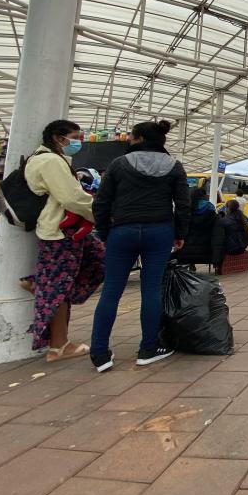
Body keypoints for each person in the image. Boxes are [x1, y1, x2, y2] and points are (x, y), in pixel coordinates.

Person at [90, 120, 190, 372]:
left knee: (111, 291)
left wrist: (104, 233)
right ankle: (148, 348)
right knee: (151, 289)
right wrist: (180, 234)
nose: (129, 142)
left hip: (122, 231)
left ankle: (100, 353)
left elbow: (101, 203)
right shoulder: (174, 166)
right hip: (160, 231)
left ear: (140, 139)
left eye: (131, 138)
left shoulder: (118, 164)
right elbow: (183, 204)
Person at [25, 120, 105, 362]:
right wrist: (102, 214)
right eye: (74, 137)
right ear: (59, 138)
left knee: (100, 260)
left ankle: (39, 283)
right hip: (60, 231)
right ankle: (58, 345)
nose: (78, 142)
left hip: (67, 229)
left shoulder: (53, 159)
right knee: (58, 286)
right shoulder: (50, 161)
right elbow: (71, 198)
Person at [173, 186, 222, 269]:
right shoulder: (210, 209)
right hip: (206, 248)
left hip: (186, 249)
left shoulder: (186, 209)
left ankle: (191, 264)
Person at [219, 199, 248, 268]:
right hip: (242, 248)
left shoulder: (226, 221)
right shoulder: (244, 218)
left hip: (231, 249)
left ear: (229, 209)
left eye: (226, 208)